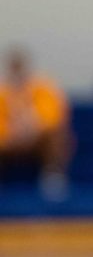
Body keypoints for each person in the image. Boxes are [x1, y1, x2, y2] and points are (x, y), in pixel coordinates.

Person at [0, 47, 72, 199]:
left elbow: (53, 118)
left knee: (55, 135)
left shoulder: (42, 88)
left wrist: (31, 129)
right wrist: (11, 133)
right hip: (9, 142)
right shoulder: (3, 93)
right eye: (14, 67)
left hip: (36, 140)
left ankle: (53, 177)